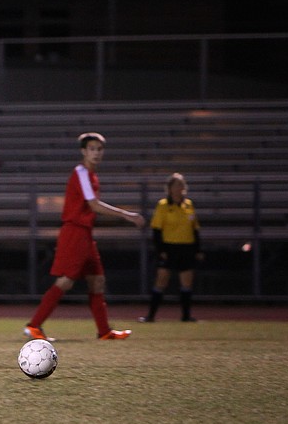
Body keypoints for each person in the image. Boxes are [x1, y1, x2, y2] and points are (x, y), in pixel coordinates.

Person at [24, 132, 145, 341]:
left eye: (99, 149)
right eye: (92, 149)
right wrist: (127, 214)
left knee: (97, 281)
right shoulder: (81, 172)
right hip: (75, 232)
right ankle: (34, 326)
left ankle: (104, 331)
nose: (96, 153)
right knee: (66, 281)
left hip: (85, 234)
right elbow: (93, 204)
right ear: (83, 151)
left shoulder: (92, 175)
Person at [138, 172, 202, 323]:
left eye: (182, 184)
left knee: (187, 283)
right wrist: (161, 250)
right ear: (170, 188)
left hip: (186, 248)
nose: (180, 187)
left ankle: (186, 316)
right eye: (177, 185)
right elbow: (156, 230)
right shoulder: (163, 205)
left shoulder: (189, 205)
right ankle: (151, 316)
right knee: (161, 281)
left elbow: (195, 229)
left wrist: (197, 249)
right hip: (169, 248)